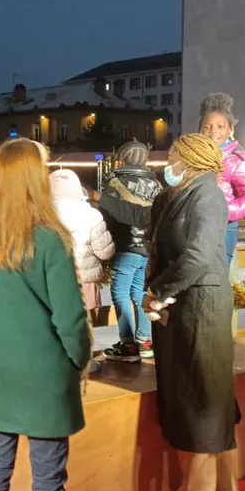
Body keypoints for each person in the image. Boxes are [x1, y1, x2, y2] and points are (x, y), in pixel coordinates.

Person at [0, 139, 91, 491]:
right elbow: (70, 318)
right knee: (48, 479)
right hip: (44, 377)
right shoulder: (49, 240)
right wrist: (79, 360)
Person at [144, 133, 240, 491]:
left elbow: (198, 255)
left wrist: (158, 290)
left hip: (202, 308)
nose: (167, 163)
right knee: (196, 398)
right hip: (183, 307)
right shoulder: (178, 194)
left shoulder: (208, 194)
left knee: (203, 398)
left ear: (191, 159)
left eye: (173, 156)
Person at [97, 141, 162, 363]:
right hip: (147, 248)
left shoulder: (116, 183)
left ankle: (128, 344)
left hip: (125, 246)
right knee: (139, 293)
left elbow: (107, 215)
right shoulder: (156, 185)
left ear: (122, 158)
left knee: (120, 293)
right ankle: (145, 341)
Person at [49, 168, 113, 367]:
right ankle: (86, 360)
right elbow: (104, 251)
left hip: (53, 277)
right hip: (84, 277)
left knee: (56, 317)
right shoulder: (91, 215)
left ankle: (58, 358)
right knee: (85, 319)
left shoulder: (43, 214)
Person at [198, 93, 245, 265]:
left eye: (220, 126)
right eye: (207, 127)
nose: (213, 131)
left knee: (215, 275)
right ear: (200, 130)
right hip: (194, 224)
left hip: (223, 228)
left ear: (231, 130)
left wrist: (225, 211)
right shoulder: (193, 156)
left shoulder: (238, 159)